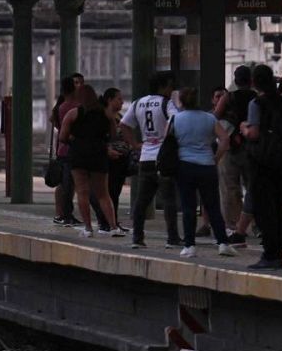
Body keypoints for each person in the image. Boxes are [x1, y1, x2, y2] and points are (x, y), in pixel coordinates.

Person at [165, 87, 236, 258]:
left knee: (188, 207)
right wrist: (216, 158)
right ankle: (223, 243)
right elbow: (225, 139)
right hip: (207, 165)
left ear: (181, 101)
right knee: (213, 206)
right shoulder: (209, 118)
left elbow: (167, 141)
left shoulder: (175, 119)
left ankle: (189, 246)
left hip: (184, 165)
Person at [242, 64, 282, 270]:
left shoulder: (256, 103)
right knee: (278, 206)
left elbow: (253, 133)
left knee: (263, 207)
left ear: (254, 82)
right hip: (278, 160)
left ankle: (270, 254)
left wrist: (243, 128)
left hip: (260, 161)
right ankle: (278, 251)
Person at [123, 71, 183, 249]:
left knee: (142, 200)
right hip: (163, 157)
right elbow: (176, 121)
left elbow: (124, 125)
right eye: (170, 86)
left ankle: (137, 237)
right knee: (169, 199)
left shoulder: (138, 103)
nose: (171, 89)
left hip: (145, 157)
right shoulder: (166, 103)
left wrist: (135, 144)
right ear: (162, 86)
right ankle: (172, 238)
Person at [62, 85, 123, 238]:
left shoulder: (73, 114)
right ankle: (113, 227)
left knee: (82, 192)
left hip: (78, 155)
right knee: (103, 194)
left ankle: (88, 229)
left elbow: (62, 137)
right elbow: (114, 135)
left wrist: (75, 140)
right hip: (99, 155)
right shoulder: (106, 114)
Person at [219, 66, 257, 245]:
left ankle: (233, 225)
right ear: (251, 80)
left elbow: (216, 115)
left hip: (232, 147)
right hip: (252, 147)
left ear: (235, 80)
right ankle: (256, 225)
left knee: (230, 188)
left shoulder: (229, 97)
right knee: (253, 187)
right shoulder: (256, 97)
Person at [51, 75, 84, 227]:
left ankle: (64, 214)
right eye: (76, 83)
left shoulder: (63, 106)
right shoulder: (71, 106)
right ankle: (65, 214)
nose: (79, 86)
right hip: (69, 150)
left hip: (65, 149)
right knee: (68, 185)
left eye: (81, 83)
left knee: (68, 184)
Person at [99, 88, 130, 233]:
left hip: (120, 159)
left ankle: (113, 221)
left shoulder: (119, 116)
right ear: (109, 100)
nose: (122, 102)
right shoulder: (103, 116)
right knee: (109, 192)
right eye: (119, 99)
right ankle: (106, 222)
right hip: (109, 159)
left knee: (115, 192)